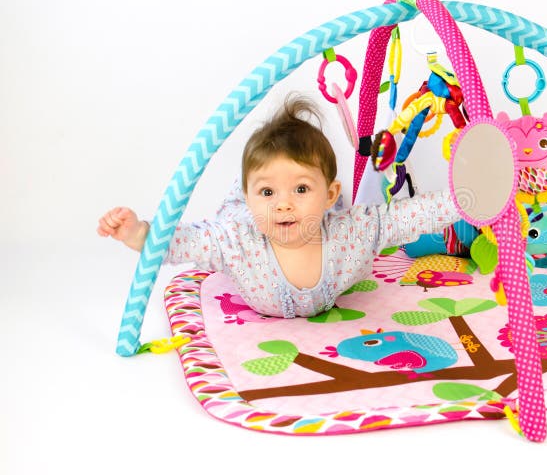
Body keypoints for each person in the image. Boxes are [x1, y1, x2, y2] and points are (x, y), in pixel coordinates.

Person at [97, 94, 461, 318]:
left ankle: (287, 190)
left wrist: (466, 200)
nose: (284, 205)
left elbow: (407, 216)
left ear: (331, 195)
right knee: (234, 212)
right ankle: (250, 193)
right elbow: (183, 243)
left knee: (362, 211)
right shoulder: (235, 242)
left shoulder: (352, 232)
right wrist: (139, 232)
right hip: (242, 214)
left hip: (323, 216)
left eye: (300, 189)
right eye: (270, 193)